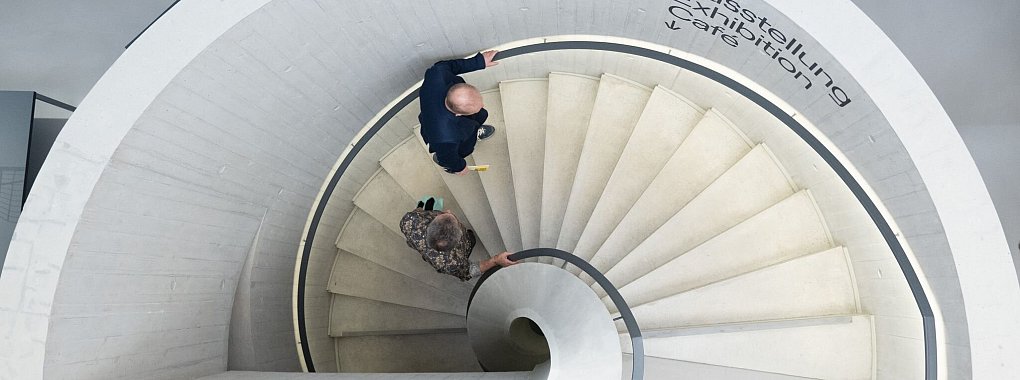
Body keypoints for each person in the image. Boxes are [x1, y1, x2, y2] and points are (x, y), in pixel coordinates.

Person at [418, 50, 500, 175]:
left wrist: (479, 62)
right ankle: (443, 161)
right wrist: (459, 167)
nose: (482, 105)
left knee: (483, 114)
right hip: (444, 135)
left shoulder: (437, 74)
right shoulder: (445, 137)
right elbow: (448, 158)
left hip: (436, 115)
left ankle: (475, 128)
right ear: (458, 114)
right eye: (476, 107)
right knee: (462, 149)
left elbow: (450, 66)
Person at [400, 198, 516, 281]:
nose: (449, 211)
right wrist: (495, 260)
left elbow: (418, 212)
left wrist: (421, 209)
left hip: (419, 247)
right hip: (461, 249)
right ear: (457, 240)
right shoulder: (450, 263)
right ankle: (470, 240)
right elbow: (469, 271)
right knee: (471, 238)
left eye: (442, 215)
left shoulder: (408, 220)